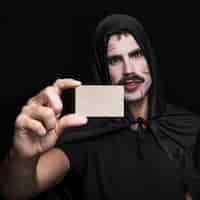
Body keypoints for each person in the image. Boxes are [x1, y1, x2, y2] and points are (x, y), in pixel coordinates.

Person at [0, 14, 199, 200]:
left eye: (137, 54)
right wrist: (22, 157)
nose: (129, 70)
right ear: (103, 68)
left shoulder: (188, 125)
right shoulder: (85, 131)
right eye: (114, 60)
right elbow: (17, 189)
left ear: (150, 58)